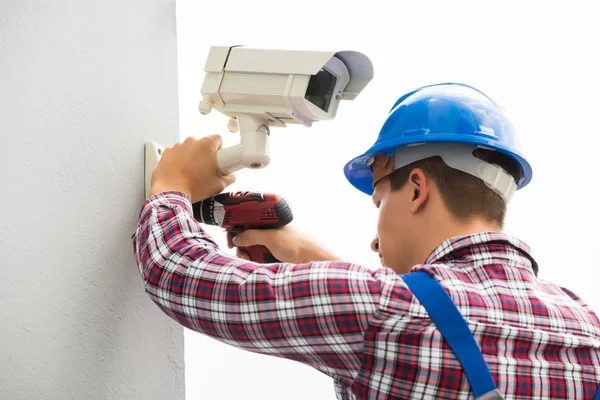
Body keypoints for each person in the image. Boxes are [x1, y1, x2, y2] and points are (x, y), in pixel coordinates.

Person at [132, 83, 600, 399]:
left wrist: (171, 184)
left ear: (416, 188)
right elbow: (427, 319)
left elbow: (178, 272)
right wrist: (307, 257)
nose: (374, 244)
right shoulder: (587, 326)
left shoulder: (377, 310)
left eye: (378, 201)